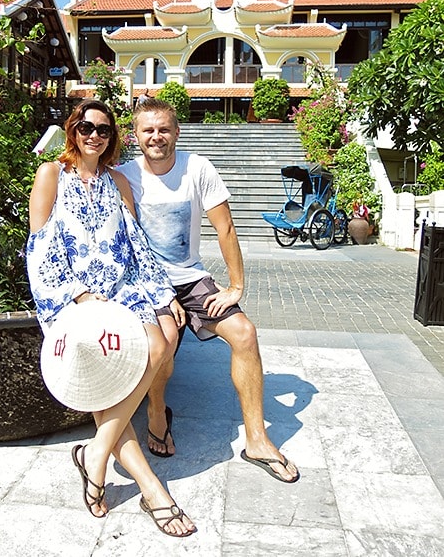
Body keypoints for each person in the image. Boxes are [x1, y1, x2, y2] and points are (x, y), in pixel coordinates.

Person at [26, 98, 196, 537]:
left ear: (112, 136)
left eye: (103, 129)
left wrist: (161, 294)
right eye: (86, 127)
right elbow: (39, 248)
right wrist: (80, 296)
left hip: (121, 290)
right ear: (72, 130)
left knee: (161, 341)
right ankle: (151, 488)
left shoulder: (118, 181)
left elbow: (137, 248)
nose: (94, 135)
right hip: (71, 295)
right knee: (103, 366)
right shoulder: (50, 175)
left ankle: (95, 454)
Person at [117, 98, 299, 483]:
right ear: (135, 136)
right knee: (163, 343)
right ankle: (156, 411)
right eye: (148, 130)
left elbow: (225, 229)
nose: (156, 137)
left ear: (177, 132)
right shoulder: (124, 176)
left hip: (191, 278)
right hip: (149, 284)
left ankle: (257, 438)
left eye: (164, 129)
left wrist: (235, 287)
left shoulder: (197, 168)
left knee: (244, 333)